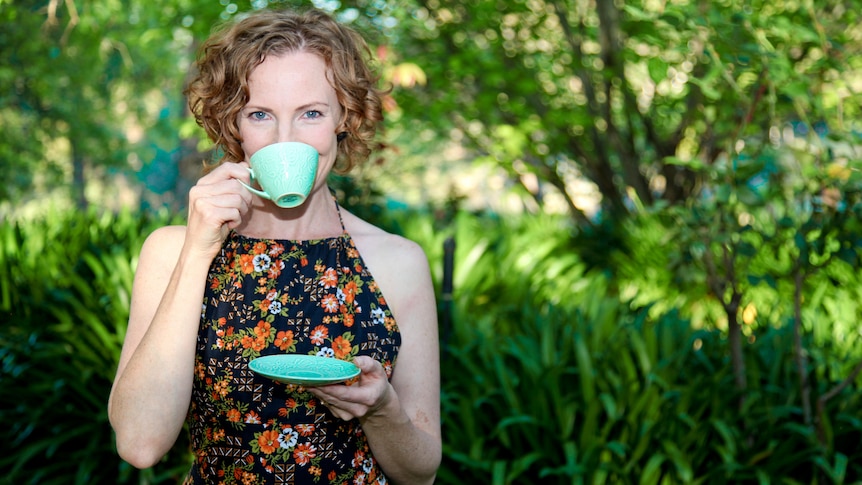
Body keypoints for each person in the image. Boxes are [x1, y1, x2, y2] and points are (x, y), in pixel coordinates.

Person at [108, 7, 442, 485]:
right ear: (234, 124)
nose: (286, 140)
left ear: (343, 116)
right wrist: (199, 251)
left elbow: (421, 473)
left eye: (311, 114)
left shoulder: (397, 261)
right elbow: (140, 444)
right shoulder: (173, 252)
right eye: (261, 114)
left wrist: (382, 409)